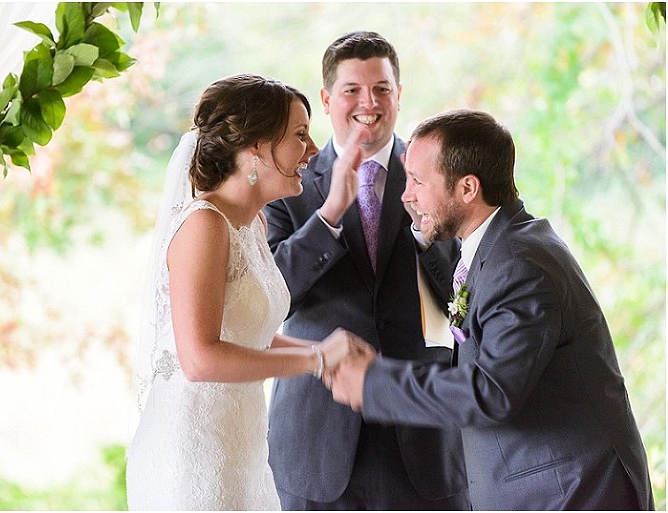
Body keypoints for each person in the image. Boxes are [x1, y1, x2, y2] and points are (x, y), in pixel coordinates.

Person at [328, 108, 655, 510]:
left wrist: (374, 383)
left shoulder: (520, 266)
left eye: (417, 181)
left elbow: (491, 391)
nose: (405, 195)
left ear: (468, 188)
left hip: (571, 492)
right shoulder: (499, 247)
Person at [126, 74, 355, 511]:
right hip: (193, 451)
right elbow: (199, 358)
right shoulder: (204, 225)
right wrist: (315, 360)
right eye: (300, 135)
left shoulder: (254, 224)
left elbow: (249, 333)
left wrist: (325, 352)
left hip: (241, 445)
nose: (312, 150)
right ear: (254, 148)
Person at [264, 32, 469, 510]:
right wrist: (330, 214)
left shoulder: (438, 170)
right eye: (353, 90)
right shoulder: (287, 178)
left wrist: (424, 235)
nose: (368, 103)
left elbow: (467, 297)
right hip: (317, 429)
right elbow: (270, 297)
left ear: (399, 95)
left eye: (381, 89)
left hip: (424, 428)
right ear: (327, 98)